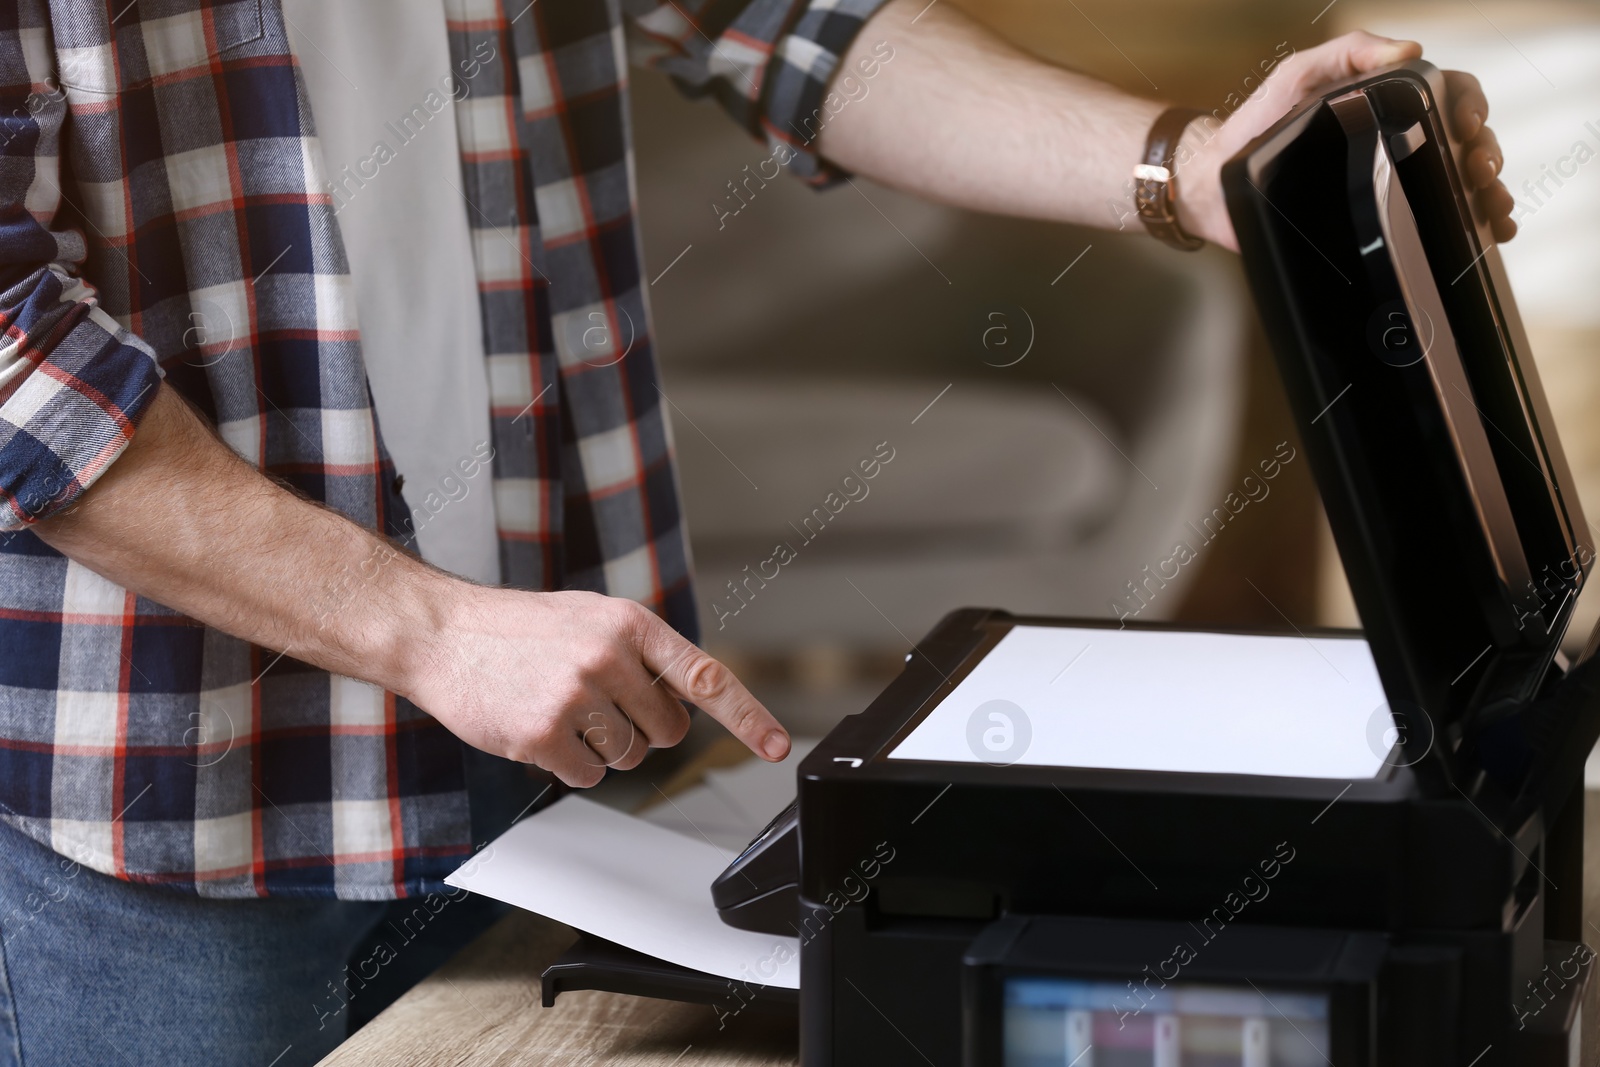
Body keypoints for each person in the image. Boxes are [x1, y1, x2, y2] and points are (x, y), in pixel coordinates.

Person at [0, 0, 1513, 1062]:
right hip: (184, 811)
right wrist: (431, 628)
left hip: (557, 766)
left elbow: (797, 20)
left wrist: (1189, 169)